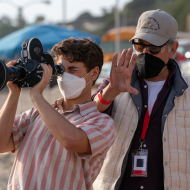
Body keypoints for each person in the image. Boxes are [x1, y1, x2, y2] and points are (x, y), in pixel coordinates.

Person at [92, 9, 190, 190]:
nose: (145, 54)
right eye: (139, 47)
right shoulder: (115, 82)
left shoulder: (187, 91)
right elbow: (89, 116)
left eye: (153, 48)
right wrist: (110, 92)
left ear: (173, 49)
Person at [0, 37, 115, 190]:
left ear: (94, 73)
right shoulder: (36, 114)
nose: (64, 75)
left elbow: (72, 141)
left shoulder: (102, 122)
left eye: (73, 70)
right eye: (60, 69)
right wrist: (13, 93)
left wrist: (37, 96)